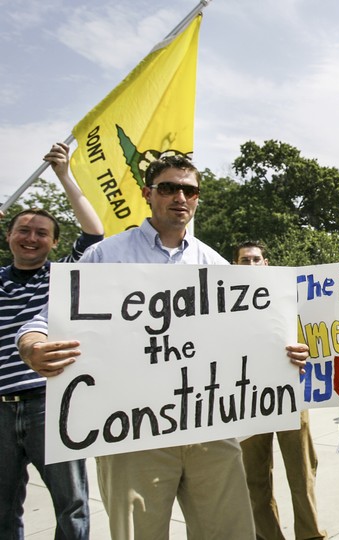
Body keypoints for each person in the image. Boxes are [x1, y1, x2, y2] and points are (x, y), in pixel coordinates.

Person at [16, 155, 310, 540]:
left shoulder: (214, 263)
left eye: (189, 190)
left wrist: (284, 354)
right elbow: (42, 322)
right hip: (131, 434)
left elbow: (253, 336)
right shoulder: (106, 255)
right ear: (147, 193)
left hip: (209, 430)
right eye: (169, 188)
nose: (180, 197)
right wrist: (32, 345)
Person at [0, 142, 103, 540]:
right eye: (23, 230)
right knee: (4, 507)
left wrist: (64, 175)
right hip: (2, 407)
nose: (31, 238)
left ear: (55, 243)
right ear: (9, 236)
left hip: (50, 401)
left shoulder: (61, 277)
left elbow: (94, 232)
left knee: (71, 505)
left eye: (41, 233)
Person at [234, 241, 327, 540]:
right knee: (254, 479)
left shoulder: (289, 294)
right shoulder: (224, 304)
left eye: (256, 259)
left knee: (302, 472)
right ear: (235, 265)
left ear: (266, 263)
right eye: (245, 260)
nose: (251, 265)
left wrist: (305, 350)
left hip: (289, 394)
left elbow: (316, 333)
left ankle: (310, 535)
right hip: (247, 399)